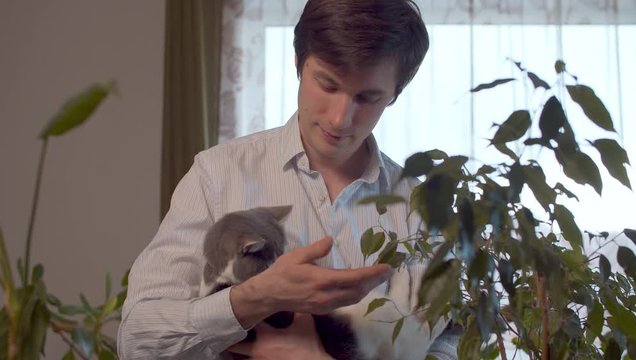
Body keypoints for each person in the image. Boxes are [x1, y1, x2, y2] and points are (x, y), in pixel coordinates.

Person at [118, 0, 460, 359]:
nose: (340, 118)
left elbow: (446, 345)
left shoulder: (418, 207)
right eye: (327, 84)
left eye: (367, 97)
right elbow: (137, 341)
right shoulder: (216, 175)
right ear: (299, 62)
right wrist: (256, 298)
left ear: (394, 95)